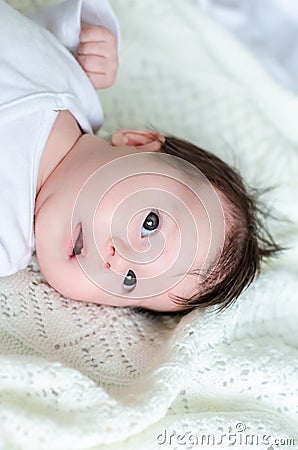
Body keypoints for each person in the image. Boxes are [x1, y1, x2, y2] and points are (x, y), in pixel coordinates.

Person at [0, 0, 281, 313]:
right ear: (136, 142)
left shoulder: (8, 238)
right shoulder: (78, 83)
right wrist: (87, 43)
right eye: (150, 223)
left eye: (131, 280)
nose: (117, 260)